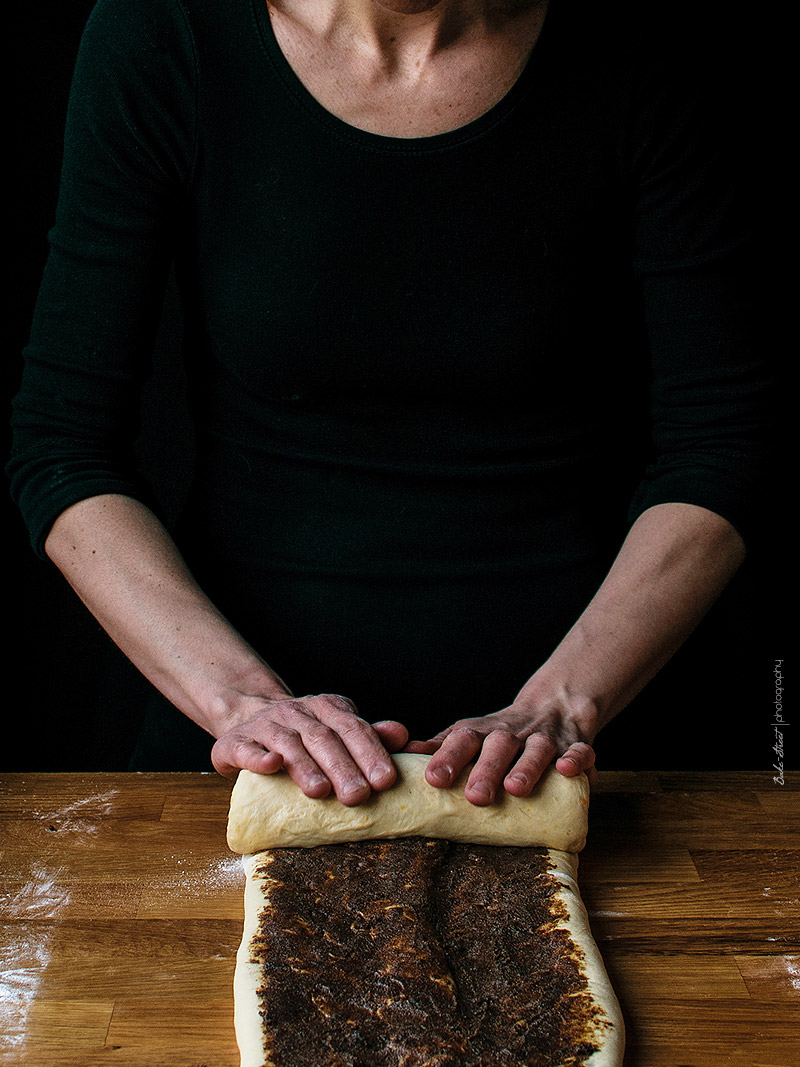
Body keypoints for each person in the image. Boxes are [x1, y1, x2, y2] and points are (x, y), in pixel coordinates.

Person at [8, 0, 775, 806]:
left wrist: (565, 701)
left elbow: (722, 437)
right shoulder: (164, 33)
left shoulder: (643, 47)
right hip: (245, 744)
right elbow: (64, 444)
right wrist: (243, 703)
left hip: (593, 739)